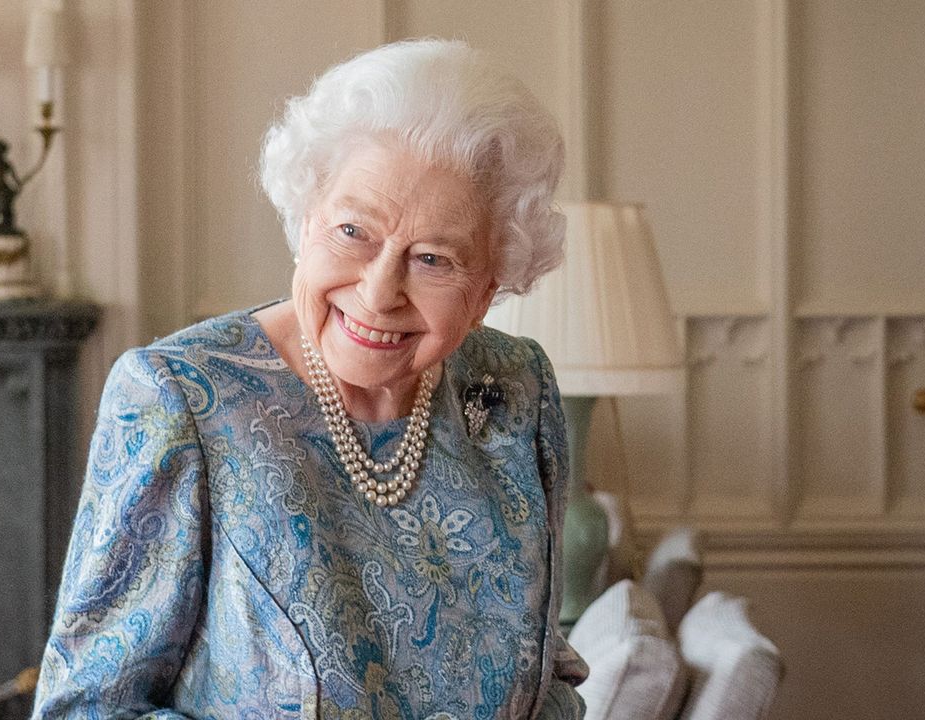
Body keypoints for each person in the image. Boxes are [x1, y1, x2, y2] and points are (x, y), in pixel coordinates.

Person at [33, 39, 587, 719]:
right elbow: (85, 708)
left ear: (488, 288)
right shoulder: (180, 399)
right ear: (305, 219)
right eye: (354, 230)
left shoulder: (515, 391)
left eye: (434, 259)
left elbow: (546, 680)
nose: (380, 292)